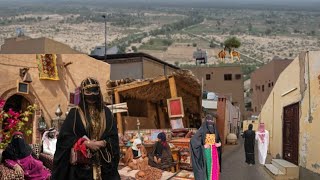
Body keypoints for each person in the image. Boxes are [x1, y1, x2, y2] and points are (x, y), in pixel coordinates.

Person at [52, 77, 120, 180]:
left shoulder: (106, 112)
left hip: (104, 163)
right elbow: (65, 138)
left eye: (94, 91)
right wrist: (86, 143)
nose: (92, 95)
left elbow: (113, 136)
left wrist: (102, 143)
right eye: (88, 91)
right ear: (83, 93)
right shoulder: (74, 113)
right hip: (82, 165)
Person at [190, 114, 222, 180]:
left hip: (214, 154)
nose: (210, 123)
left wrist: (219, 144)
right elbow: (193, 141)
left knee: (214, 170)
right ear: (205, 121)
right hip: (206, 154)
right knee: (207, 171)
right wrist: (203, 146)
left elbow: (219, 140)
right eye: (208, 121)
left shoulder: (215, 129)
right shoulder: (202, 129)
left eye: (211, 121)